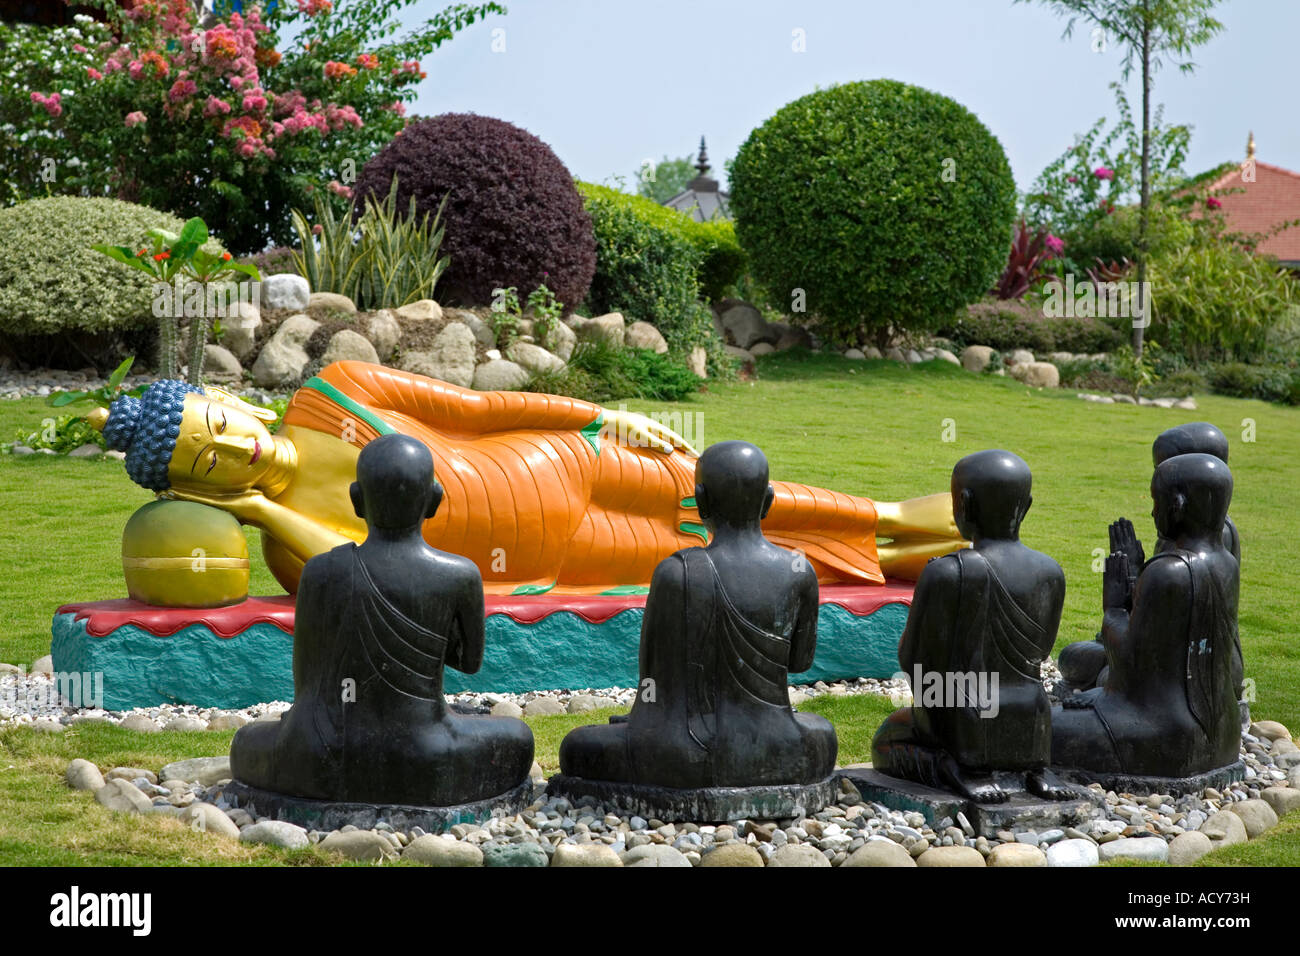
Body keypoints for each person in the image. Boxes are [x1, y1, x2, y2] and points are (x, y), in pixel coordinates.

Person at [92, 360, 965, 596]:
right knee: (710, 555)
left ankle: (899, 516)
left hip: (558, 461)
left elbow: (477, 411)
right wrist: (254, 510)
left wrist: (593, 417)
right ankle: (891, 563)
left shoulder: (336, 393)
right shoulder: (298, 552)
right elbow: (364, 565)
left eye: (222, 429)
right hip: (551, 550)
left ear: (228, 402)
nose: (236, 450)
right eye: (210, 466)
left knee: (738, 495)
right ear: (203, 489)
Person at [228, 433, 534, 806]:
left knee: (245, 741)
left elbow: (307, 684)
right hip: (423, 755)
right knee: (518, 736)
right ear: (434, 500)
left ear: (357, 500)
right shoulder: (458, 574)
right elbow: (469, 663)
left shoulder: (321, 571)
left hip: (317, 755)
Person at [558, 440, 837, 788]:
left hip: (688, 749)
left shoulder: (677, 572)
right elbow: (799, 663)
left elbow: (652, 684)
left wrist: (639, 722)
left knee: (577, 746)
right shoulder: (798, 570)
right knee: (822, 730)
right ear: (767, 500)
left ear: (700, 500)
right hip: (781, 744)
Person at [871, 450, 1071, 803]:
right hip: (1031, 718)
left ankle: (956, 768)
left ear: (962, 504)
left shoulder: (949, 571)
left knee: (886, 739)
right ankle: (1033, 771)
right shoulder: (1050, 572)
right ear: (1025, 507)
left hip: (963, 717)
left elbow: (912, 659)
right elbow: (1040, 651)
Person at [1051, 453, 1241, 779]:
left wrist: (1113, 607)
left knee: (1035, 726)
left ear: (1177, 504)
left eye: (1156, 501)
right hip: (1222, 736)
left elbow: (1129, 666)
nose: (1153, 511)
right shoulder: (1226, 563)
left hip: (1162, 737)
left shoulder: (1169, 571)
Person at [1058, 422, 1241, 695]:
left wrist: (1115, 608)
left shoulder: (1214, 537)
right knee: (1075, 658)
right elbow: (1157, 612)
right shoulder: (1184, 533)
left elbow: (1157, 640)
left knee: (1103, 676)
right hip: (1166, 649)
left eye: (1165, 470)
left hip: (1190, 666)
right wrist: (1135, 574)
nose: (1158, 478)